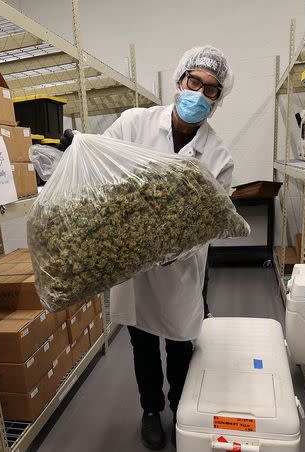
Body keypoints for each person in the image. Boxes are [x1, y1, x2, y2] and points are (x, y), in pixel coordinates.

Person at [102, 45, 235, 450]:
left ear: (216, 101)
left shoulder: (218, 156)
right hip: (135, 265)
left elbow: (209, 221)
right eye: (194, 82)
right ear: (180, 81)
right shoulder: (133, 123)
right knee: (142, 341)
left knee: (180, 343)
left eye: (211, 90)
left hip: (181, 267)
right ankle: (150, 410)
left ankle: (180, 408)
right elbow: (102, 164)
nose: (199, 93)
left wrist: (172, 246)